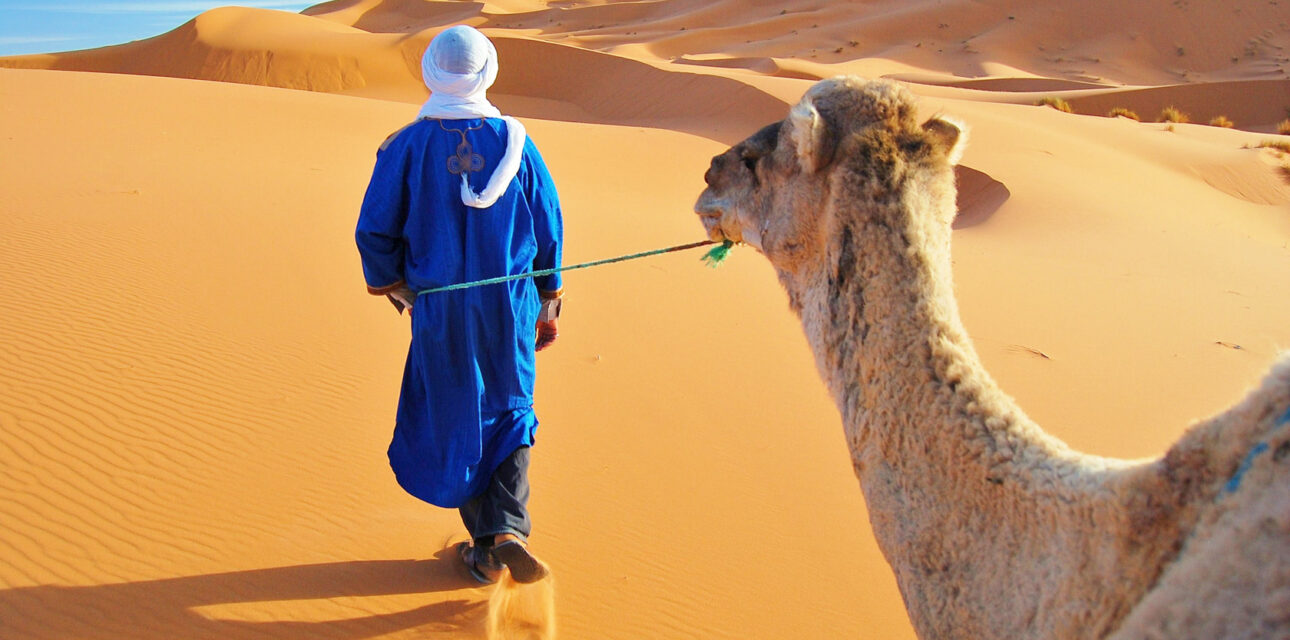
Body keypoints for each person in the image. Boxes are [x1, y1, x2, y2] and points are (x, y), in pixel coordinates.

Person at [354, 25, 563, 585]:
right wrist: (549, 299)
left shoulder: (404, 146)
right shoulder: (517, 141)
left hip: (441, 313)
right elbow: (547, 223)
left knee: (460, 411)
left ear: (430, 70)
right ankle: (505, 532)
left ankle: (488, 547)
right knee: (511, 406)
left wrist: (398, 288)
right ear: (487, 69)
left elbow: (374, 232)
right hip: (509, 306)